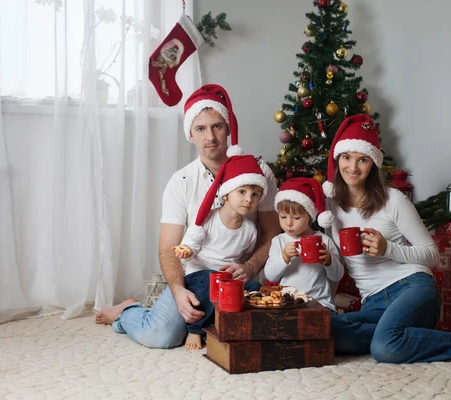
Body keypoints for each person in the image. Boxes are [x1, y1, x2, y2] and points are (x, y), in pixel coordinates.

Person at [323, 114, 451, 363]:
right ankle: (406, 336)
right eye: (347, 157)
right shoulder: (329, 208)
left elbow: (431, 255)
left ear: (373, 164)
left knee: (385, 348)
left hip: (412, 288)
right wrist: (327, 261)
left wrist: (387, 248)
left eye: (363, 160)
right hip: (373, 302)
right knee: (328, 331)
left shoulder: (393, 200)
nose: (353, 167)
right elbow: (338, 267)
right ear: (338, 158)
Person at [95, 84, 281, 349]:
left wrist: (250, 267)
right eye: (200, 129)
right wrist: (179, 291)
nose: (211, 137)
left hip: (239, 278)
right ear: (190, 135)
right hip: (195, 276)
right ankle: (128, 312)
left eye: (217, 126)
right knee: (161, 336)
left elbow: (271, 234)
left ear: (229, 127)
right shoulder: (181, 181)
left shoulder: (259, 171)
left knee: (259, 335)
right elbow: (167, 247)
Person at [173, 153, 267, 350]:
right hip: (200, 275)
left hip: (226, 278)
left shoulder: (249, 230)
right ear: (226, 194)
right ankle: (195, 329)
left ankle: (225, 326)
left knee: (254, 287)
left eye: (255, 194)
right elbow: (191, 245)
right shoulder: (208, 219)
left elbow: (244, 257)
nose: (248, 199)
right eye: (242, 191)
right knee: (210, 283)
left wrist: (241, 270)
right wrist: (186, 251)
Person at [264, 177, 344, 311]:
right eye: (283, 217)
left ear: (310, 216)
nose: (288, 223)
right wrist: (284, 257)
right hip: (288, 303)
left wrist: (329, 261)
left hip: (320, 303)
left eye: (296, 218)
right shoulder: (279, 241)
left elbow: (337, 276)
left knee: (330, 325)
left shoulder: (324, 240)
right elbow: (270, 275)